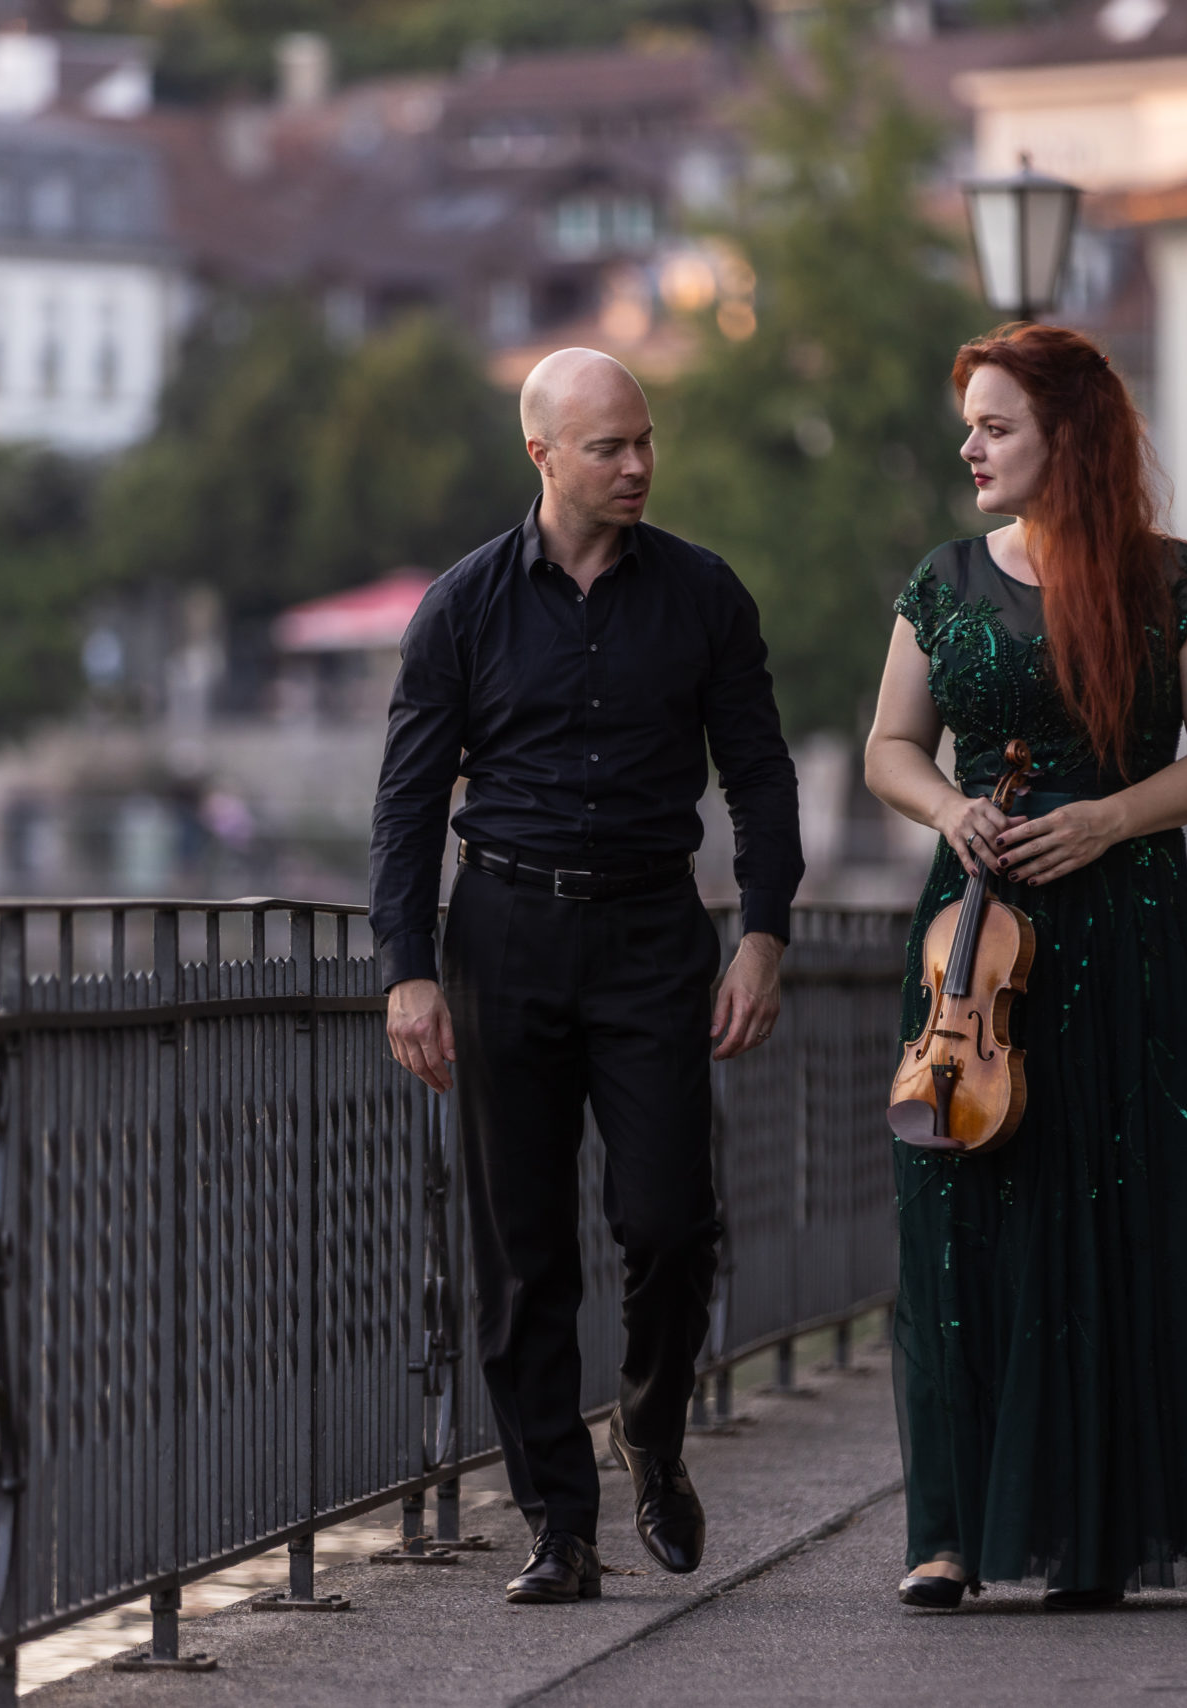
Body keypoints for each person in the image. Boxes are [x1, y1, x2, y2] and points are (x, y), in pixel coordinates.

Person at [862, 322, 1187, 1612]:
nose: (969, 446)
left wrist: (1108, 815)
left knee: (1102, 1215)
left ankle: (1085, 1533)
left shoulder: (1176, 584)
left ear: (1068, 437)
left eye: (995, 425)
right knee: (956, 1224)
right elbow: (888, 744)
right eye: (972, 424)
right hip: (975, 943)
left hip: (1124, 932)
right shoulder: (940, 580)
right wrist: (948, 813)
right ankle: (946, 1531)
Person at [369, 348, 803, 1605]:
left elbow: (760, 774)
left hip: (651, 934)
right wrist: (407, 970)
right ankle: (559, 1521)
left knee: (670, 1221)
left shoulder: (705, 597)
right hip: (501, 930)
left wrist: (763, 930)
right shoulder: (461, 608)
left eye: (644, 441)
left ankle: (652, 1434)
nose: (636, 465)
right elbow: (404, 804)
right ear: (541, 455)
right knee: (521, 1250)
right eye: (608, 446)